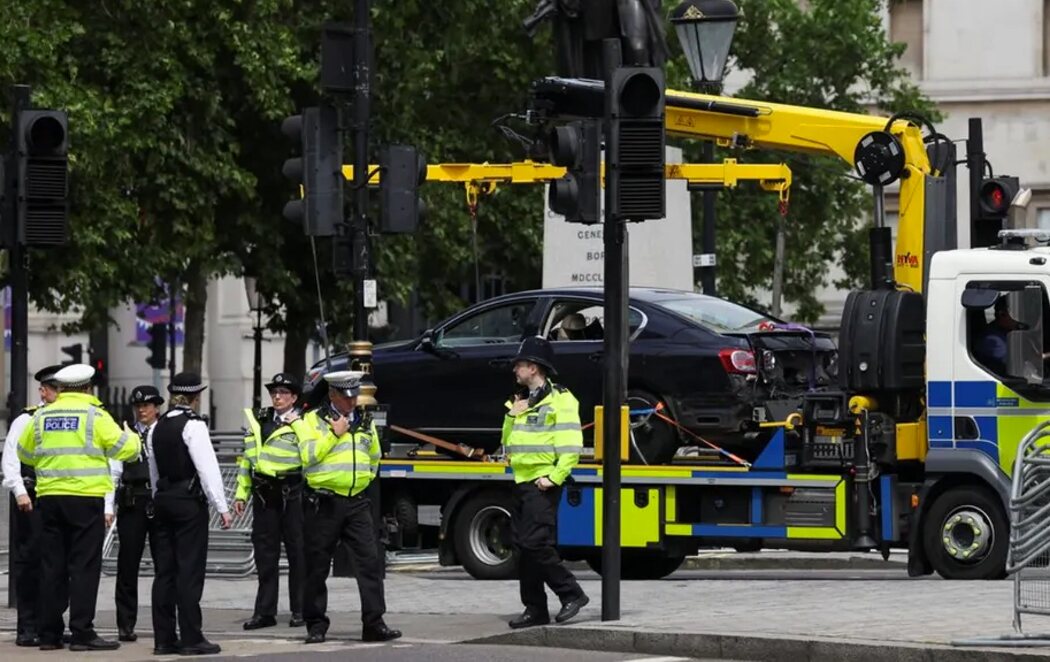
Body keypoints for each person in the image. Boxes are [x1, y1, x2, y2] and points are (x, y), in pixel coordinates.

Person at [17, 363, 141, 651]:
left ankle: (49, 634)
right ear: (87, 387)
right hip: (85, 499)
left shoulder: (42, 416)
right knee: (84, 566)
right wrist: (132, 436)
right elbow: (126, 449)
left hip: (49, 498)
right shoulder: (95, 415)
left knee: (52, 566)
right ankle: (82, 632)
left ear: (61, 388)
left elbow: (24, 453)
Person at [300, 370, 400, 644]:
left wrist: (363, 481)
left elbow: (374, 457)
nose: (353, 401)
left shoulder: (365, 422)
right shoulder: (312, 420)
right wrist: (334, 435)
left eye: (354, 395)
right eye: (347, 396)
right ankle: (316, 624)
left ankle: (374, 623)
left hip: (356, 501)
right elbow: (307, 457)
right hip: (325, 502)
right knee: (317, 566)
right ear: (333, 395)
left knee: (369, 563)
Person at [502, 336, 589, 629]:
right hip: (521, 481)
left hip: (543, 483)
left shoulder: (561, 400)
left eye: (520, 364)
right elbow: (508, 441)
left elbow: (571, 444)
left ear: (535, 368)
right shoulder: (520, 400)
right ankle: (535, 609)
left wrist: (554, 477)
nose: (515, 369)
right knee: (521, 548)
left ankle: (572, 593)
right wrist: (512, 415)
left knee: (535, 543)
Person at [149, 372, 232, 656]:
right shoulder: (193, 426)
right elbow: (207, 469)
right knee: (189, 570)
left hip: (163, 500)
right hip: (187, 502)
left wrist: (157, 497)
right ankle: (191, 637)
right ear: (196, 397)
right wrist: (221, 506)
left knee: (165, 572)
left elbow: (154, 470)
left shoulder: (157, 426)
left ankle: (163, 638)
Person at [234, 372, 308, 630]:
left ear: (294, 398)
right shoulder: (259, 419)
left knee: (298, 553)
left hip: (292, 492)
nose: (277, 397)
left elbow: (312, 453)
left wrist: (297, 424)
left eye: (283, 393)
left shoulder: (304, 422)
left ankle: (300, 610)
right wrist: (241, 494)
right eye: (274, 393)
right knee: (266, 555)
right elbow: (247, 460)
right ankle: (265, 612)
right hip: (265, 494)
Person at [1, 364, 65, 647]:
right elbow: (10, 458)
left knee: (57, 563)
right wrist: (18, 491)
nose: (58, 394)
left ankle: (51, 623)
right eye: (54, 389)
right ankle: (27, 626)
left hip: (59, 496)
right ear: (43, 390)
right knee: (29, 562)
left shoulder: (67, 418)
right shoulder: (27, 419)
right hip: (31, 496)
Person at [106, 385, 164, 643]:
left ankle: (164, 622)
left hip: (160, 500)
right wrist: (108, 506)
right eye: (139, 406)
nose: (143, 410)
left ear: (157, 407)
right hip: (133, 501)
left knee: (165, 564)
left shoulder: (164, 432)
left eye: (148, 405)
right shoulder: (125, 434)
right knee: (127, 564)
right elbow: (114, 472)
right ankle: (125, 624)